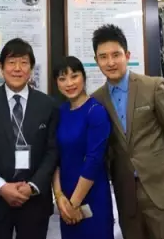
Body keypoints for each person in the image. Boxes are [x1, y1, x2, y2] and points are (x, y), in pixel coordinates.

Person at [91, 24, 164, 239]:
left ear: (127, 55)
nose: (110, 62)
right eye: (103, 57)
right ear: (96, 60)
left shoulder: (153, 87)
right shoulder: (97, 100)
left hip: (163, 191)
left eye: (116, 55)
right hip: (126, 196)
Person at [0, 38, 59, 239]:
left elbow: (52, 150)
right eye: (11, 62)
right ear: (1, 67)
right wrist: (1, 187)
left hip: (35, 201)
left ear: (31, 68)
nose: (17, 69)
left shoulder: (48, 105)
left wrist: (33, 187)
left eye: (24, 62)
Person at [52, 56, 113, 239]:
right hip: (65, 197)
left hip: (92, 196)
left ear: (84, 77)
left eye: (74, 76)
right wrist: (59, 196)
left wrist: (74, 204)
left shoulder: (96, 111)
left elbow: (94, 160)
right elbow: (55, 156)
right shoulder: (60, 112)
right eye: (62, 79)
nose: (69, 83)